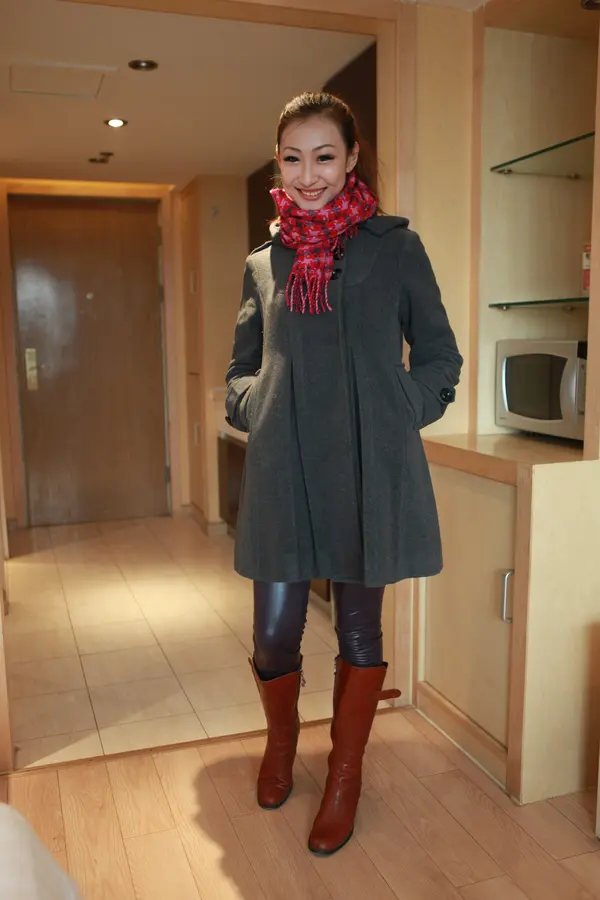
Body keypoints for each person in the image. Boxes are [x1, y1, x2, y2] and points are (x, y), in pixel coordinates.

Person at [225, 91, 462, 856]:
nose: (308, 175)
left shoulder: (395, 247)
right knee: (273, 636)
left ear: (352, 158)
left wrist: (400, 405)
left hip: (366, 467)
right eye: (292, 159)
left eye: (324, 156)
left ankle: (345, 774)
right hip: (283, 469)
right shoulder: (264, 263)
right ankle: (281, 744)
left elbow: (440, 355)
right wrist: (256, 404)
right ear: (278, 164)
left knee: (359, 630)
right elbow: (240, 369)